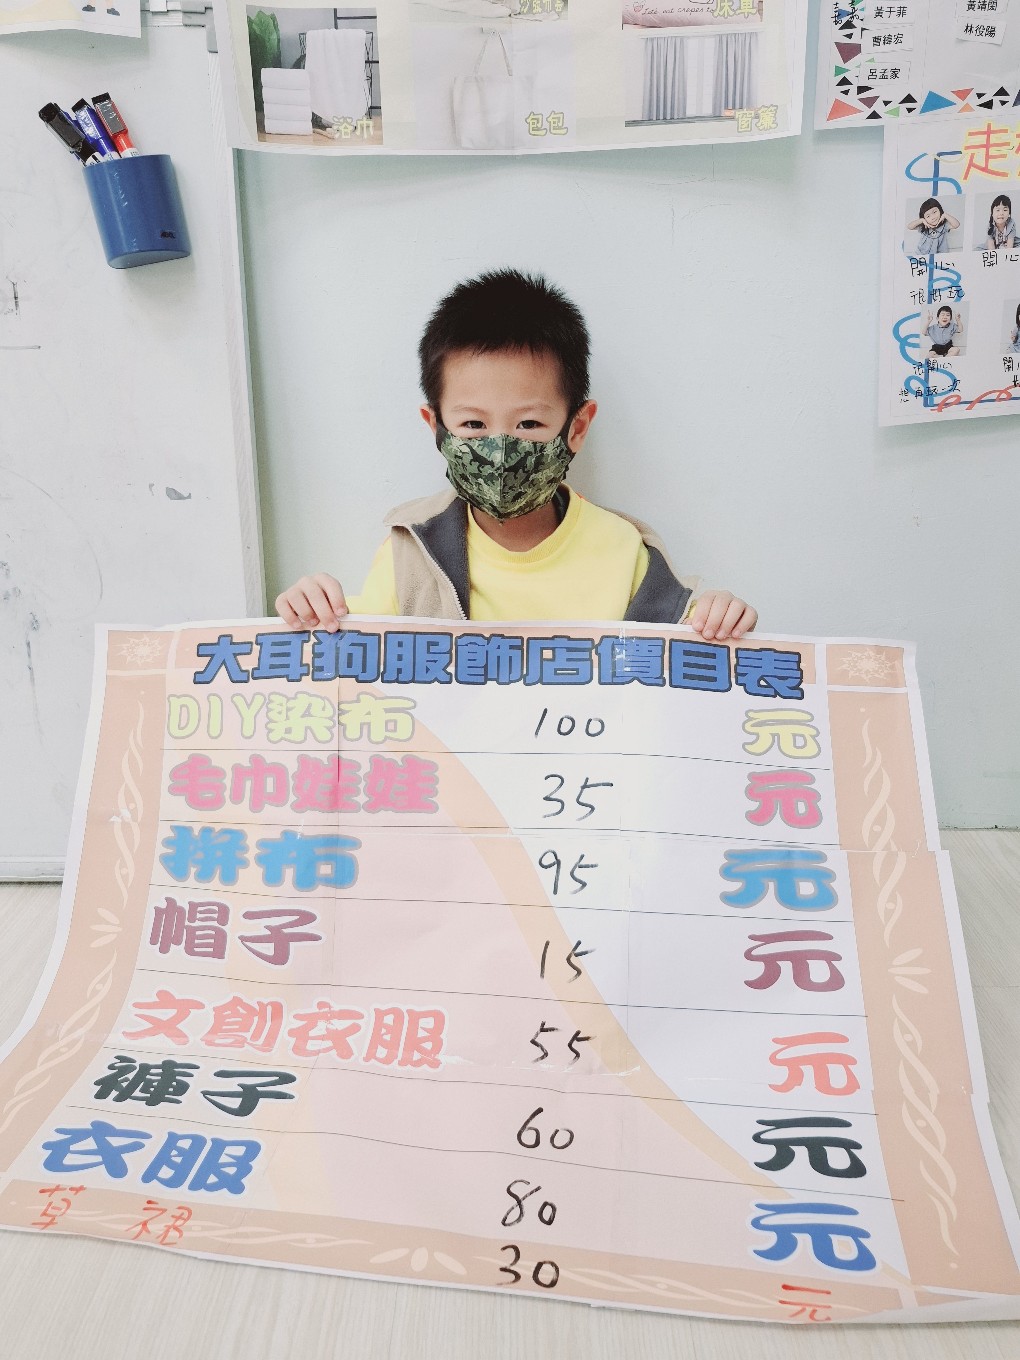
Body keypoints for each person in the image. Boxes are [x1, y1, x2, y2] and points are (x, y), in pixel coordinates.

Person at [276, 269, 756, 639]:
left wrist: (718, 619)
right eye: (473, 425)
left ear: (577, 427)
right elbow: (358, 654)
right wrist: (312, 609)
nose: (500, 450)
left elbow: (678, 661)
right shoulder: (411, 551)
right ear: (436, 427)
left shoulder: (625, 550)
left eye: (528, 425)